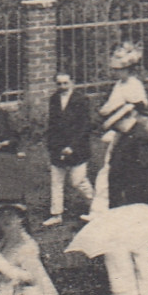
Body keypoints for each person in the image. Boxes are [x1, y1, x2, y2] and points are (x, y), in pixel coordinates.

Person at [99, 101, 148, 295]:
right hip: (126, 200)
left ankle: (143, 290)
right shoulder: (128, 136)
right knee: (130, 244)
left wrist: (130, 202)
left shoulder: (138, 136)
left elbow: (143, 173)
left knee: (137, 245)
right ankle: (132, 288)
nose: (115, 128)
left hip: (135, 200)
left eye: (116, 123)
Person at [92, 42, 148, 215]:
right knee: (109, 169)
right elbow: (109, 107)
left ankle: (135, 210)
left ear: (127, 69)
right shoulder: (119, 85)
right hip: (121, 131)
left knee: (133, 172)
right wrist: (105, 116)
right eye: (115, 69)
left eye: (119, 69)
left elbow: (135, 109)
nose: (116, 72)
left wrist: (108, 122)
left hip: (134, 131)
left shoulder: (135, 85)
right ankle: (101, 210)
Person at [42, 73, 94, 227]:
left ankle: (97, 205)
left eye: (65, 83)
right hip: (58, 147)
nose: (62, 87)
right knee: (56, 181)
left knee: (78, 181)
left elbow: (84, 126)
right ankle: (56, 214)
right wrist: (54, 146)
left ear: (72, 83)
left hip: (77, 147)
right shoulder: (54, 99)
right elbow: (52, 125)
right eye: (59, 84)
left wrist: (72, 146)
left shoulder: (81, 100)